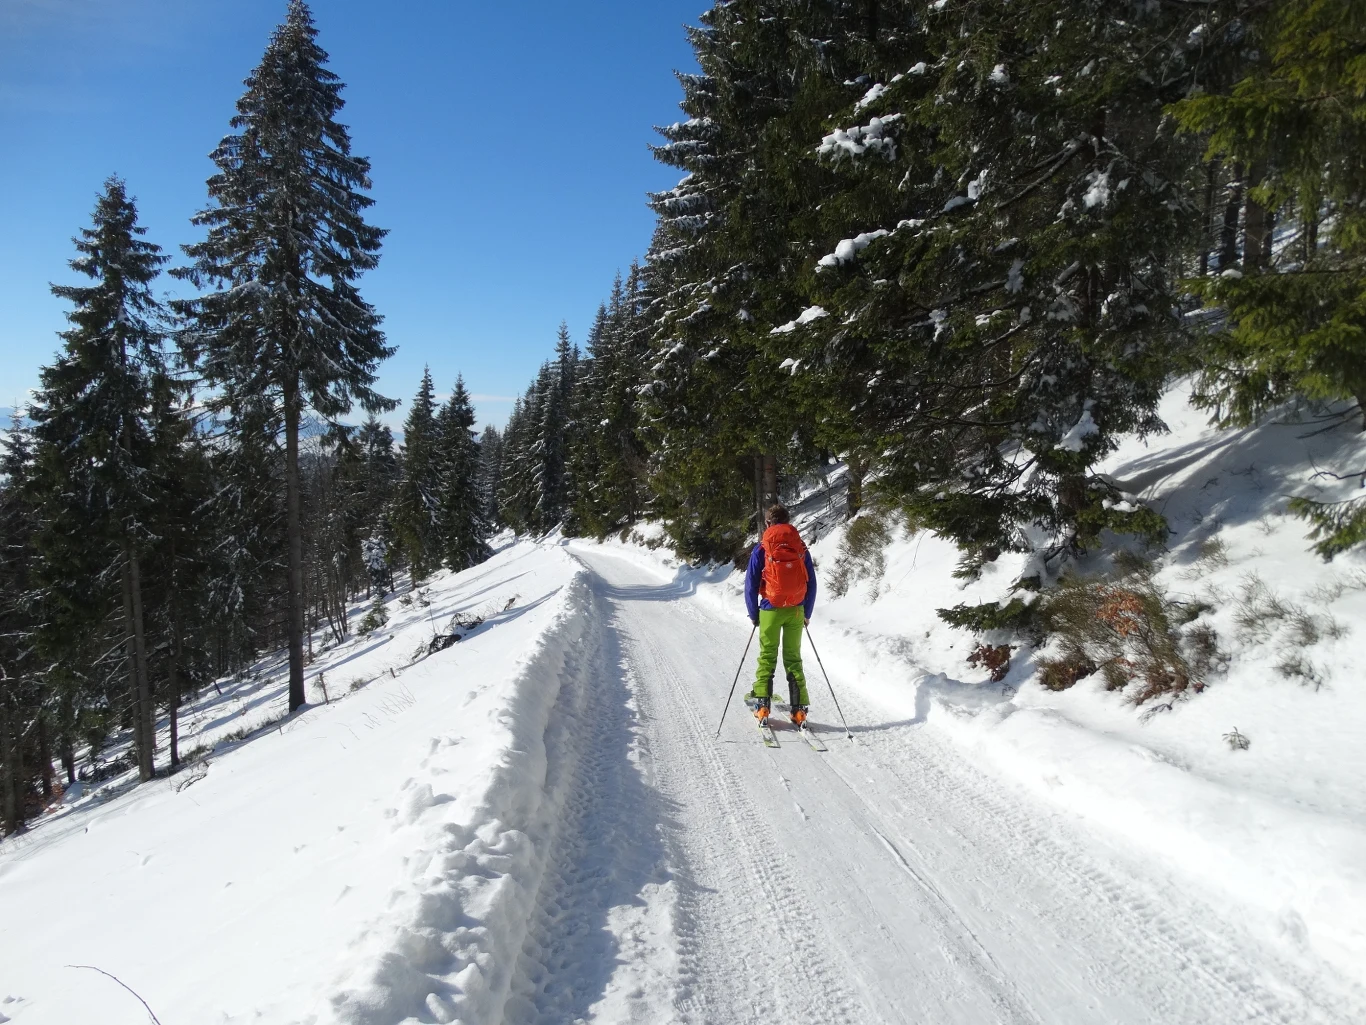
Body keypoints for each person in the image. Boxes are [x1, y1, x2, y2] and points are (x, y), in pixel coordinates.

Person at [744, 504, 817, 726]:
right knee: (793, 658)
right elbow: (811, 582)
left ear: (768, 523)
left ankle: (763, 706)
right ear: (788, 521)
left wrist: (754, 613)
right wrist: (807, 612)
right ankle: (799, 710)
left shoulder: (762, 549)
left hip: (770, 609)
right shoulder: (800, 547)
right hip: (796, 609)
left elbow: (751, 584)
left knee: (767, 656)